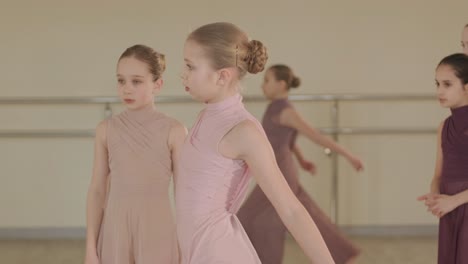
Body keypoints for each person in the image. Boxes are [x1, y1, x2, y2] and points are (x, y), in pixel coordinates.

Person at [176, 22, 335, 264]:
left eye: (190, 66)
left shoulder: (244, 131)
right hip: (193, 250)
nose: (182, 74)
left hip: (217, 253)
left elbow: (291, 210)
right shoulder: (205, 116)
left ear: (222, 76)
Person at [238, 64, 363, 264]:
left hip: (279, 171)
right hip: (275, 168)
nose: (262, 86)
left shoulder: (286, 111)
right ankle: (342, 254)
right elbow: (284, 139)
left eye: (267, 81)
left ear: (281, 84)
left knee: (248, 217)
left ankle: (340, 255)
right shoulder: (274, 107)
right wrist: (302, 160)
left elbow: (315, 136)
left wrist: (348, 155)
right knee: (301, 217)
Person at [84, 44, 186, 264]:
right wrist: (90, 248)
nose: (126, 89)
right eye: (121, 80)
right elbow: (97, 190)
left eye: (136, 81)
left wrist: (186, 243)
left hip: (158, 229)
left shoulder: (175, 130)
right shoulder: (106, 129)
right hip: (115, 230)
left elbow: (184, 193)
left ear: (157, 85)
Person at [418, 53, 468, 264]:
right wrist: (436, 195)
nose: (439, 91)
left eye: (447, 84)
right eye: (437, 84)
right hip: (449, 210)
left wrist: (453, 202)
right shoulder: (443, 127)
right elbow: (438, 175)